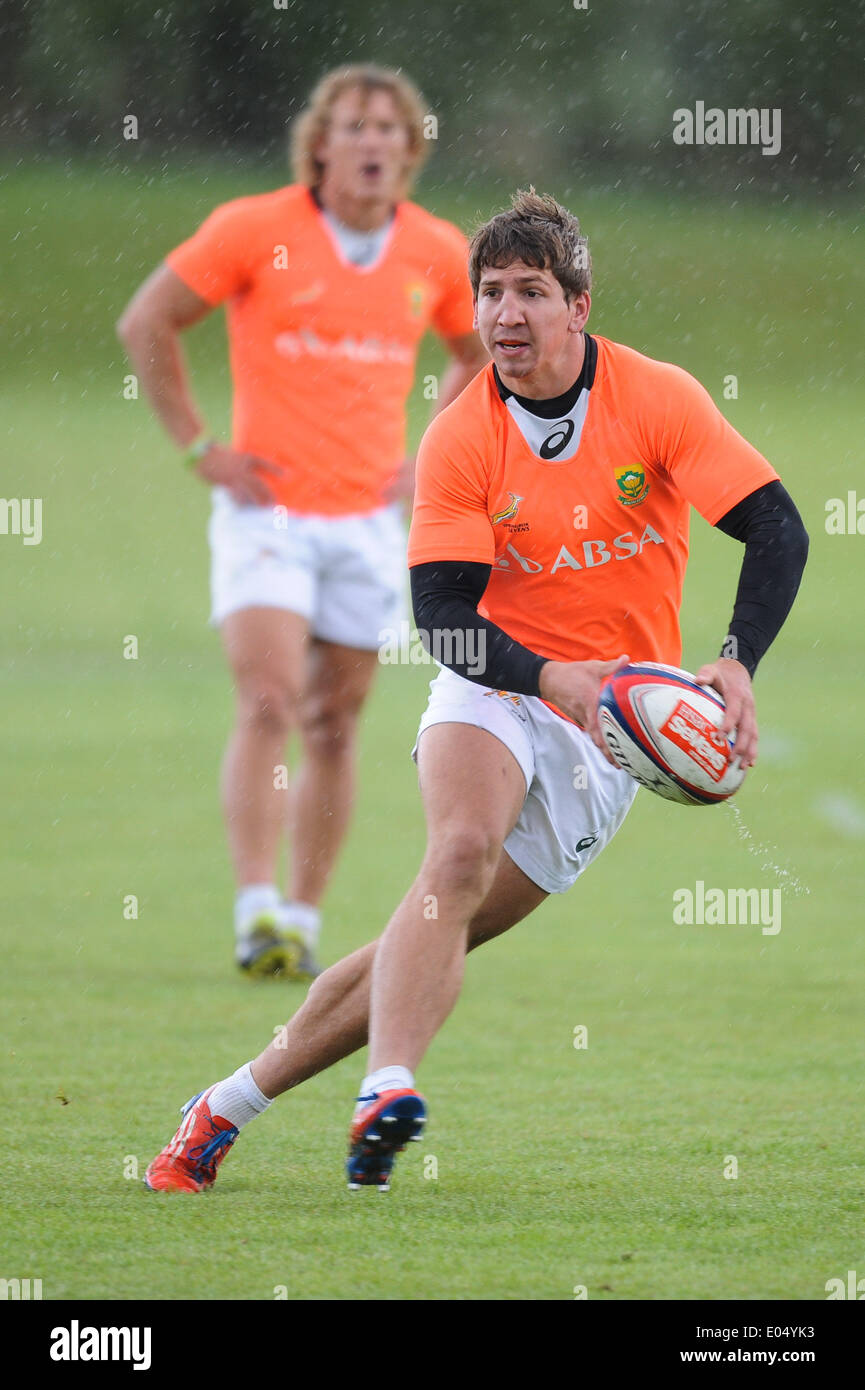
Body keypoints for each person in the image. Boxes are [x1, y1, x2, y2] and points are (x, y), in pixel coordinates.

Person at [142, 190, 809, 1194]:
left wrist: (733, 658)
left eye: (530, 292)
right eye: (489, 292)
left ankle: (226, 1103)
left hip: (609, 736)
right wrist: (551, 677)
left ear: (579, 305)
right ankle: (388, 1087)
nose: (504, 314)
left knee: (423, 927)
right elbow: (443, 617)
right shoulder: (461, 435)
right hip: (497, 683)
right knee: (454, 855)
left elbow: (777, 525)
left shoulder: (658, 397)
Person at [117, 65, 486, 980]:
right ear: (320, 143)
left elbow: (475, 350)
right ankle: (253, 909)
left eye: (389, 130)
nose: (372, 143)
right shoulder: (256, 229)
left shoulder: (436, 251)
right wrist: (199, 446)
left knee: (334, 721)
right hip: (264, 513)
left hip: (366, 521)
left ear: (411, 149)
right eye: (355, 127)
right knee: (271, 697)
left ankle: (301, 916)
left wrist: (428, 455)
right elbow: (147, 322)